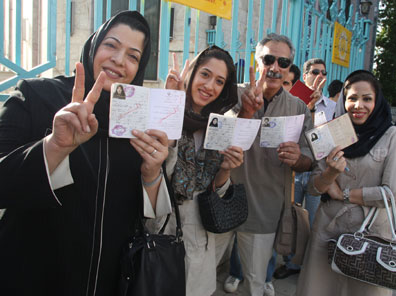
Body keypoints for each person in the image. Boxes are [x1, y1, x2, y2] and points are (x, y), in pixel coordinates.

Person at [0, 11, 173, 296]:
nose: (119, 60)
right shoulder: (36, 96)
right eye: (111, 45)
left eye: (133, 56)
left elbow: (148, 215)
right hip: (33, 277)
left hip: (109, 282)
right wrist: (55, 147)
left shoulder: (139, 121)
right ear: (93, 46)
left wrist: (152, 173)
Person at [216, 33, 313, 296]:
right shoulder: (229, 94)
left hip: (264, 210)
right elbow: (215, 142)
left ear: (289, 68)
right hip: (219, 202)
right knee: (198, 277)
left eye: (283, 62)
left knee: (255, 284)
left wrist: (298, 159)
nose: (275, 67)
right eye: (268, 59)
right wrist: (245, 110)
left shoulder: (298, 108)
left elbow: (309, 160)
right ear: (256, 60)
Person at [296, 70, 396, 296]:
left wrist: (344, 194)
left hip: (371, 235)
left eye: (367, 98)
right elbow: (314, 188)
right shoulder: (330, 134)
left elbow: (392, 193)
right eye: (352, 98)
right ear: (343, 100)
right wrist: (329, 174)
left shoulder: (391, 135)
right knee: (319, 288)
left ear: (377, 101)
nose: (359, 105)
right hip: (329, 230)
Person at [164, 46, 244, 296]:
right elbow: (152, 173)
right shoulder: (163, 109)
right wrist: (170, 112)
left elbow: (215, 190)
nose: (210, 86)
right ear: (192, 74)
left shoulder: (218, 125)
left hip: (202, 237)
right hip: (163, 228)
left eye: (219, 81)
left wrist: (226, 169)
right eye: (205, 74)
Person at [273, 58, 336, 280]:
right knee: (292, 219)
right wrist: (307, 107)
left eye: (323, 72)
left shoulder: (332, 107)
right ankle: (291, 263)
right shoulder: (292, 101)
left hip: (318, 172)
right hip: (292, 171)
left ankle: (310, 266)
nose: (320, 76)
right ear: (306, 75)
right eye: (315, 72)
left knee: (313, 221)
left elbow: (331, 138)